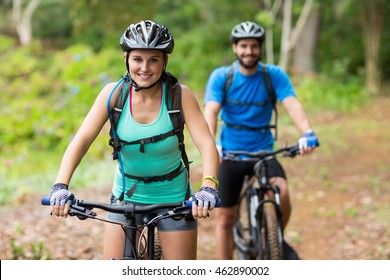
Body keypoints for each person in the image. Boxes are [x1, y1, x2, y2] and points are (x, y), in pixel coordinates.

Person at [49, 20, 220, 260]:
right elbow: (82, 140)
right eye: (138, 59)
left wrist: (208, 188)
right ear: (127, 59)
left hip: (174, 199)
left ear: (164, 62)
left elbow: (207, 146)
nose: (145, 68)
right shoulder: (113, 94)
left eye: (153, 60)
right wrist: (60, 185)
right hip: (125, 198)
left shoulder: (180, 95)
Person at [203, 21, 319, 260]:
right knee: (225, 218)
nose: (249, 51)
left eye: (254, 46)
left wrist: (307, 132)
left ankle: (275, 238)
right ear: (235, 48)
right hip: (230, 155)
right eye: (243, 45)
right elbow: (211, 112)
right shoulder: (221, 77)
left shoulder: (273, 75)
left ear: (260, 48)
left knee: (282, 192)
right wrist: (212, 144)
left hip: (264, 152)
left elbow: (292, 104)